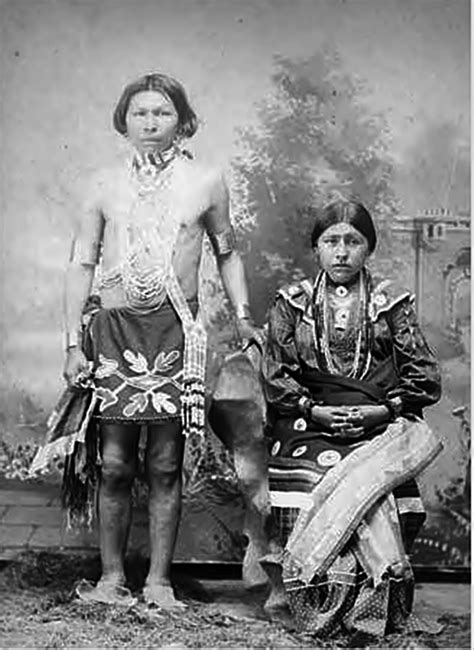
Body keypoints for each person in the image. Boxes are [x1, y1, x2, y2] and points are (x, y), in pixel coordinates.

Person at [56, 73, 257, 609]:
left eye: (162, 113)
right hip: (115, 331)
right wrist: (72, 344)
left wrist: (242, 315)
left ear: (183, 121)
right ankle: (111, 578)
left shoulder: (206, 181)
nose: (150, 122)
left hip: (175, 331)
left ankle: (160, 582)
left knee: (166, 463)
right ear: (123, 120)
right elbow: (82, 264)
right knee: (116, 462)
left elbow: (227, 252)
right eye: (140, 112)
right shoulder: (101, 184)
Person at [261, 199, 443, 639]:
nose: (341, 252)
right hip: (307, 421)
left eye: (353, 241)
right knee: (316, 479)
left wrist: (381, 411)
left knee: (379, 487)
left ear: (369, 248)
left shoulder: (392, 304)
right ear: (316, 248)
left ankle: (371, 607)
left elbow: (424, 377)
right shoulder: (292, 303)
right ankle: (317, 603)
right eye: (331, 241)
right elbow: (276, 374)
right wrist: (313, 409)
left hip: (378, 422)